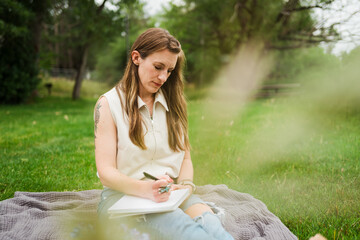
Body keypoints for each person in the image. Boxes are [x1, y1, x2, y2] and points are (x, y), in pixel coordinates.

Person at [94, 28, 234, 240]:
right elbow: (105, 172)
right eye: (158, 67)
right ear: (136, 58)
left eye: (169, 70)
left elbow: (185, 156)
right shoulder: (108, 104)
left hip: (170, 194)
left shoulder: (175, 103)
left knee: (213, 227)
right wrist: (146, 189)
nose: (163, 77)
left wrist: (186, 186)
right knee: (191, 234)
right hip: (123, 200)